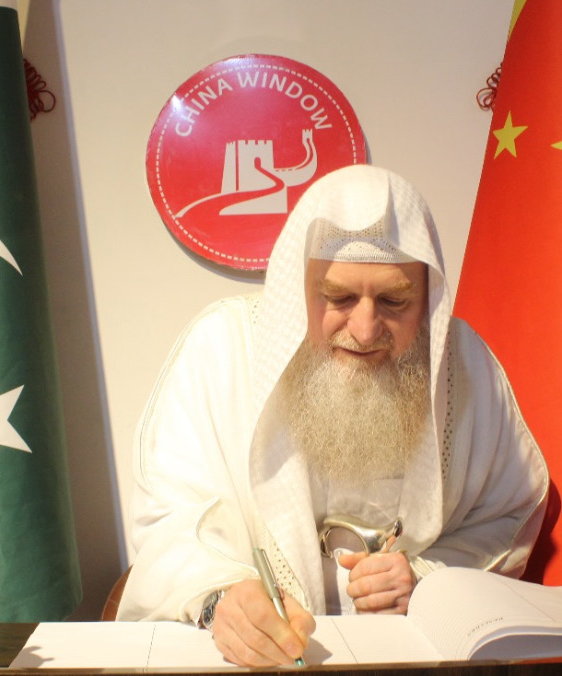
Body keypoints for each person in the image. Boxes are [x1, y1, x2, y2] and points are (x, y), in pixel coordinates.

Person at [116, 165, 548, 667]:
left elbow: (508, 511)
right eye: (339, 298)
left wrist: (426, 577)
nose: (365, 330)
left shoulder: (464, 363)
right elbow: (169, 521)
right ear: (295, 288)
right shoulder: (220, 350)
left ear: (426, 295)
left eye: (394, 301)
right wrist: (222, 597)